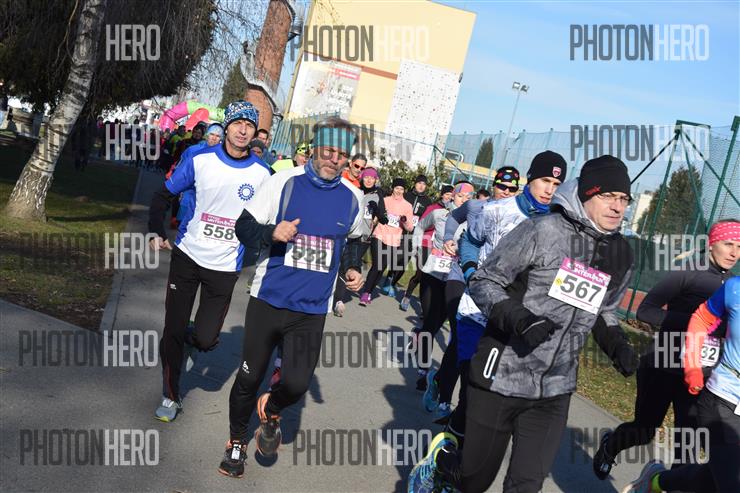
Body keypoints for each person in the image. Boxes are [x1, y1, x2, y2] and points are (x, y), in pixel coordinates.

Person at [409, 155, 638, 493]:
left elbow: (603, 311)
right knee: (474, 480)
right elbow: (485, 281)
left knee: (526, 486)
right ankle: (442, 466)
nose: (617, 207)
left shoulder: (621, 255)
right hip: (502, 373)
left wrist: (618, 345)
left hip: (554, 387)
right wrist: (520, 319)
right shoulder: (543, 230)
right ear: (587, 194)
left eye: (624, 199)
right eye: (608, 196)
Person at [218, 116, 366, 478]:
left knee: (297, 384)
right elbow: (244, 227)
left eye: (340, 154)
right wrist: (273, 232)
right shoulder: (282, 182)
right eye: (327, 150)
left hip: (311, 310)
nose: (333, 159)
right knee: (249, 377)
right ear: (314, 148)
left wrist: (352, 268)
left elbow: (354, 240)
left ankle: (271, 409)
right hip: (269, 299)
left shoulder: (353, 198)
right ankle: (236, 442)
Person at [147, 100, 270, 422]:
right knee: (172, 329)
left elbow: (271, 219)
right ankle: (170, 396)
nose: (243, 130)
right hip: (187, 255)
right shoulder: (200, 160)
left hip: (225, 266)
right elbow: (162, 195)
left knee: (205, 338)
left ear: (255, 133)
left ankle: (194, 340)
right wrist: (154, 231)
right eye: (237, 123)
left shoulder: (262, 174)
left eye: (249, 126)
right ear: (226, 127)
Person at [593, 219, 740, 480]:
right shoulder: (688, 273)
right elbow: (645, 311)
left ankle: (663, 484)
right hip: (662, 365)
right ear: (711, 244)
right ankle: (610, 446)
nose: (734, 253)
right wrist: (696, 323)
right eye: (728, 244)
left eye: (739, 247)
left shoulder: (733, 286)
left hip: (698, 375)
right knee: (644, 430)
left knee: (688, 446)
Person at [623, 272, 740, 493]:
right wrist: (692, 365)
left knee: (713, 477)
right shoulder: (735, 288)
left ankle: (656, 482)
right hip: (723, 399)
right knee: (731, 483)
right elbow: (702, 318)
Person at [411, 183, 475, 392]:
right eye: (461, 196)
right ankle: (423, 370)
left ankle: (419, 338)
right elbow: (420, 226)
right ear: (453, 196)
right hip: (432, 273)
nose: (464, 200)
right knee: (430, 321)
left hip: (454, 279)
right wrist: (417, 251)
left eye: (469, 197)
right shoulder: (439, 214)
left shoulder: (474, 221)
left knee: (436, 324)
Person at [333, 166, 387, 317]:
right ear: (362, 178)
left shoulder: (378, 196)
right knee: (334, 263)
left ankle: (338, 300)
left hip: (362, 239)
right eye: (366, 177)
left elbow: (384, 219)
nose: (369, 180)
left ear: (376, 180)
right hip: (345, 233)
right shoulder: (355, 190)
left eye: (372, 178)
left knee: (347, 267)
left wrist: (377, 210)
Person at [358, 178, 414, 306]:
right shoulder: (385, 200)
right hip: (379, 234)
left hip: (393, 240)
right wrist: (374, 222)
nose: (399, 191)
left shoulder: (407, 206)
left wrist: (404, 220)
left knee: (381, 267)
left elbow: (410, 228)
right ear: (393, 188)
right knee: (377, 264)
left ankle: (370, 292)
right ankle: (365, 292)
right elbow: (377, 215)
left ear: (404, 191)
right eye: (397, 188)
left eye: (401, 189)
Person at [383, 175, 433, 298]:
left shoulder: (427, 201)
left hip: (415, 236)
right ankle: (389, 278)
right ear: (415, 184)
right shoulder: (406, 196)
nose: (421, 186)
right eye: (419, 183)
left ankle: (392, 283)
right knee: (397, 258)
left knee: (404, 262)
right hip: (401, 232)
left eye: (424, 184)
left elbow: (427, 219)